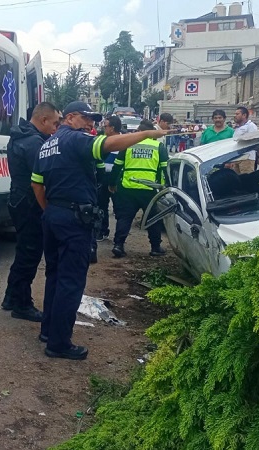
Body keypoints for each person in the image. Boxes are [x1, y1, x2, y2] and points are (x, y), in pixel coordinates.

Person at [31, 101, 167, 360]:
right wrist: (148, 134)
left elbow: (36, 184)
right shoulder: (75, 139)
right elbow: (108, 145)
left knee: (55, 276)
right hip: (73, 220)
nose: (91, 123)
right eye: (86, 118)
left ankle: (49, 331)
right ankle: (59, 344)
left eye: (94, 119)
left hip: (54, 217)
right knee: (71, 281)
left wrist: (50, 210)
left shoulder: (47, 144)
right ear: (70, 117)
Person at [1, 102, 61, 321]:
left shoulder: (21, 135)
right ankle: (22, 304)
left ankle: (11, 296)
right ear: (43, 120)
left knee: (24, 251)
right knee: (30, 254)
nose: (56, 128)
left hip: (18, 199)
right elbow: (43, 178)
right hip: (29, 202)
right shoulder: (34, 143)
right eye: (54, 123)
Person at [110, 119, 168, 259]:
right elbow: (165, 169)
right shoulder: (159, 146)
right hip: (150, 190)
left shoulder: (128, 145)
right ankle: (155, 247)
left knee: (124, 218)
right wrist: (167, 187)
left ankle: (118, 245)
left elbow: (117, 166)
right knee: (153, 219)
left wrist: (111, 183)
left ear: (139, 132)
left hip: (128, 188)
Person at [96, 115, 122, 242]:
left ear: (112, 128)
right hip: (104, 177)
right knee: (102, 205)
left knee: (120, 208)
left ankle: (119, 238)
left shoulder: (124, 141)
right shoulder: (102, 140)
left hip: (118, 177)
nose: (103, 128)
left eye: (105, 126)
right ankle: (102, 231)